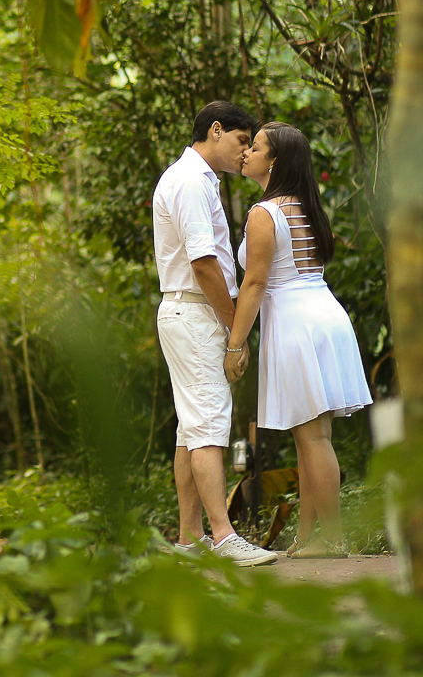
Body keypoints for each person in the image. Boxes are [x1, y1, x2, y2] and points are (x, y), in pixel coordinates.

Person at [226, 121, 373, 558]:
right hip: (325, 313)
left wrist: (235, 344)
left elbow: (254, 283)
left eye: (255, 147)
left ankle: (333, 538)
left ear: (274, 160)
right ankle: (308, 537)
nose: (246, 152)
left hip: (294, 322)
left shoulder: (263, 213)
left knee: (313, 439)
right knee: (310, 437)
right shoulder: (306, 206)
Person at [153, 101, 278, 566]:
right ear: (217, 130)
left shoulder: (197, 179)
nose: (245, 152)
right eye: (242, 141)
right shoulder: (189, 182)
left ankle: (190, 540)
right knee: (207, 423)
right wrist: (234, 331)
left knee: (191, 428)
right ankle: (224, 537)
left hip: (188, 312)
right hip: (195, 311)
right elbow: (203, 264)